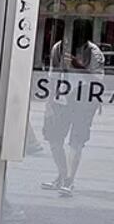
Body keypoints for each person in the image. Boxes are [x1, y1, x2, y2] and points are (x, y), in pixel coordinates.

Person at [41, 19, 104, 196]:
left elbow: (99, 80)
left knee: (76, 141)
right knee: (54, 140)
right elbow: (52, 76)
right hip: (61, 99)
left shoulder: (94, 53)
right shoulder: (58, 48)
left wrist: (79, 67)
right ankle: (62, 174)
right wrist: (49, 101)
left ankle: (69, 180)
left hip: (84, 101)